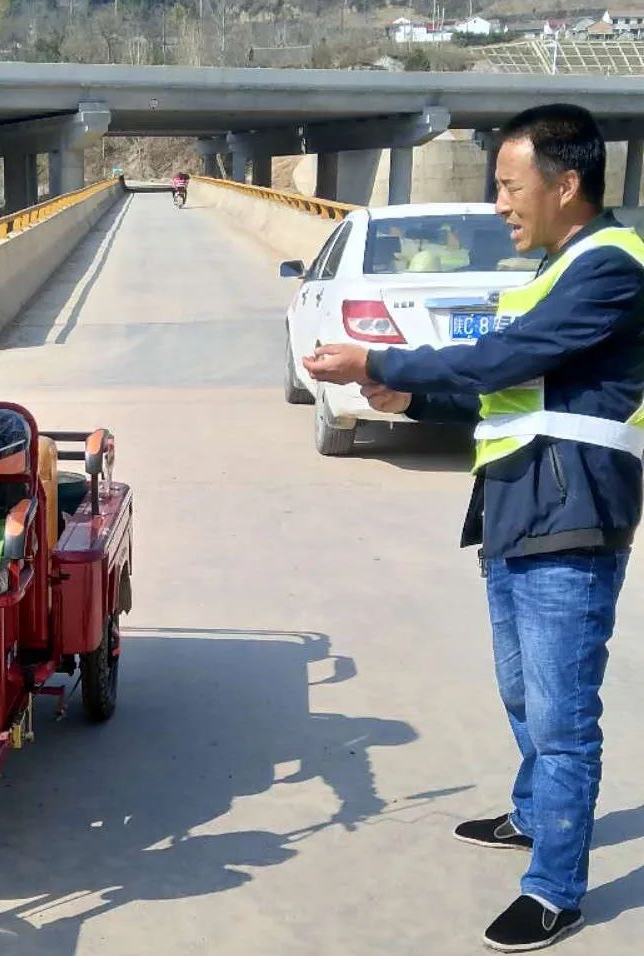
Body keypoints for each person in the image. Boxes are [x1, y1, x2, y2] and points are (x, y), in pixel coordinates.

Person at [304, 103, 644, 952]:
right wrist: (410, 396)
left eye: (507, 185)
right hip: (516, 505)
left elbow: (502, 362)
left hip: (573, 512)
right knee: (523, 691)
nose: (498, 203)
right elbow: (504, 393)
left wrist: (379, 359)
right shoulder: (552, 271)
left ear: (567, 185)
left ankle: (555, 888)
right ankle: (535, 816)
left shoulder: (612, 267)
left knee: (564, 715)